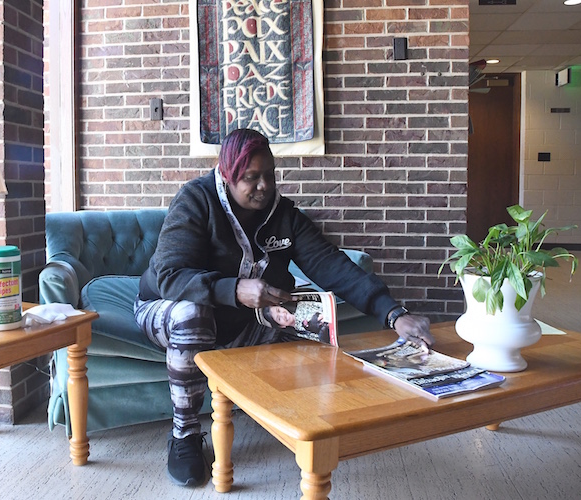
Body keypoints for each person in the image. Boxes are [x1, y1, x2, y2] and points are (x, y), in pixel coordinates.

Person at [134, 128, 433, 487]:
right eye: (251, 178)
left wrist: (393, 313)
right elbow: (169, 274)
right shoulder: (196, 200)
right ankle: (185, 434)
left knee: (306, 309)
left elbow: (331, 264)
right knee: (190, 314)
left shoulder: (284, 215)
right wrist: (234, 289)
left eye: (270, 175)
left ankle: (311, 418)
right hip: (165, 310)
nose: (264, 186)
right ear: (227, 175)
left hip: (242, 319)